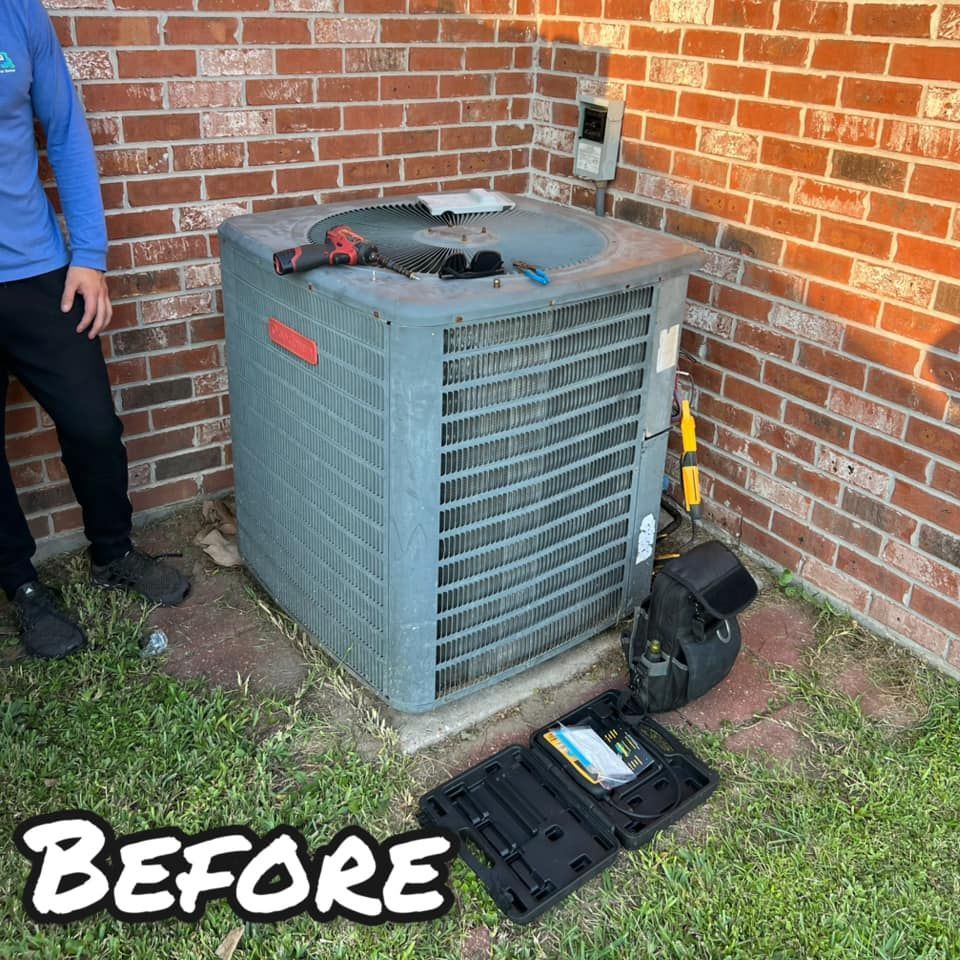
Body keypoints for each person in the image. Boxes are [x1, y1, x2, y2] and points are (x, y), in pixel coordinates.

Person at [1, 0, 190, 659]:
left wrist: (88, 256)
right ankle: (21, 583)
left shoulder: (19, 13)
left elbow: (66, 131)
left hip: (36, 269)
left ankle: (113, 552)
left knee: (92, 424)